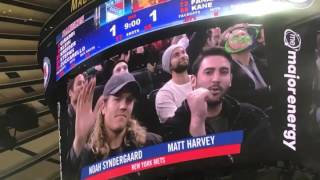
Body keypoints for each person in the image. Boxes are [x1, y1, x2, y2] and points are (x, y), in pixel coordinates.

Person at [163, 47, 274, 179]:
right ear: (193, 81)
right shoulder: (174, 128)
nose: (216, 79)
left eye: (223, 72)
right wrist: (197, 127)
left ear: (231, 79)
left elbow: (265, 168)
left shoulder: (251, 117)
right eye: (208, 72)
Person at [68, 73, 162, 179]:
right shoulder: (89, 156)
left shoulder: (151, 144)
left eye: (129, 100)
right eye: (117, 99)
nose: (123, 106)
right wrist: (79, 139)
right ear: (103, 107)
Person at [221, 23, 270, 110]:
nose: (242, 38)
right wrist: (270, 91)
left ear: (250, 40)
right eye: (236, 37)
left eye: (243, 34)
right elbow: (238, 99)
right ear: (228, 45)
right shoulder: (227, 71)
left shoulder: (265, 61)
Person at [155, 39, 192, 123]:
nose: (182, 56)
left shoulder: (198, 79)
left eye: (183, 52)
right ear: (169, 65)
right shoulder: (164, 94)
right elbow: (176, 126)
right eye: (176, 55)